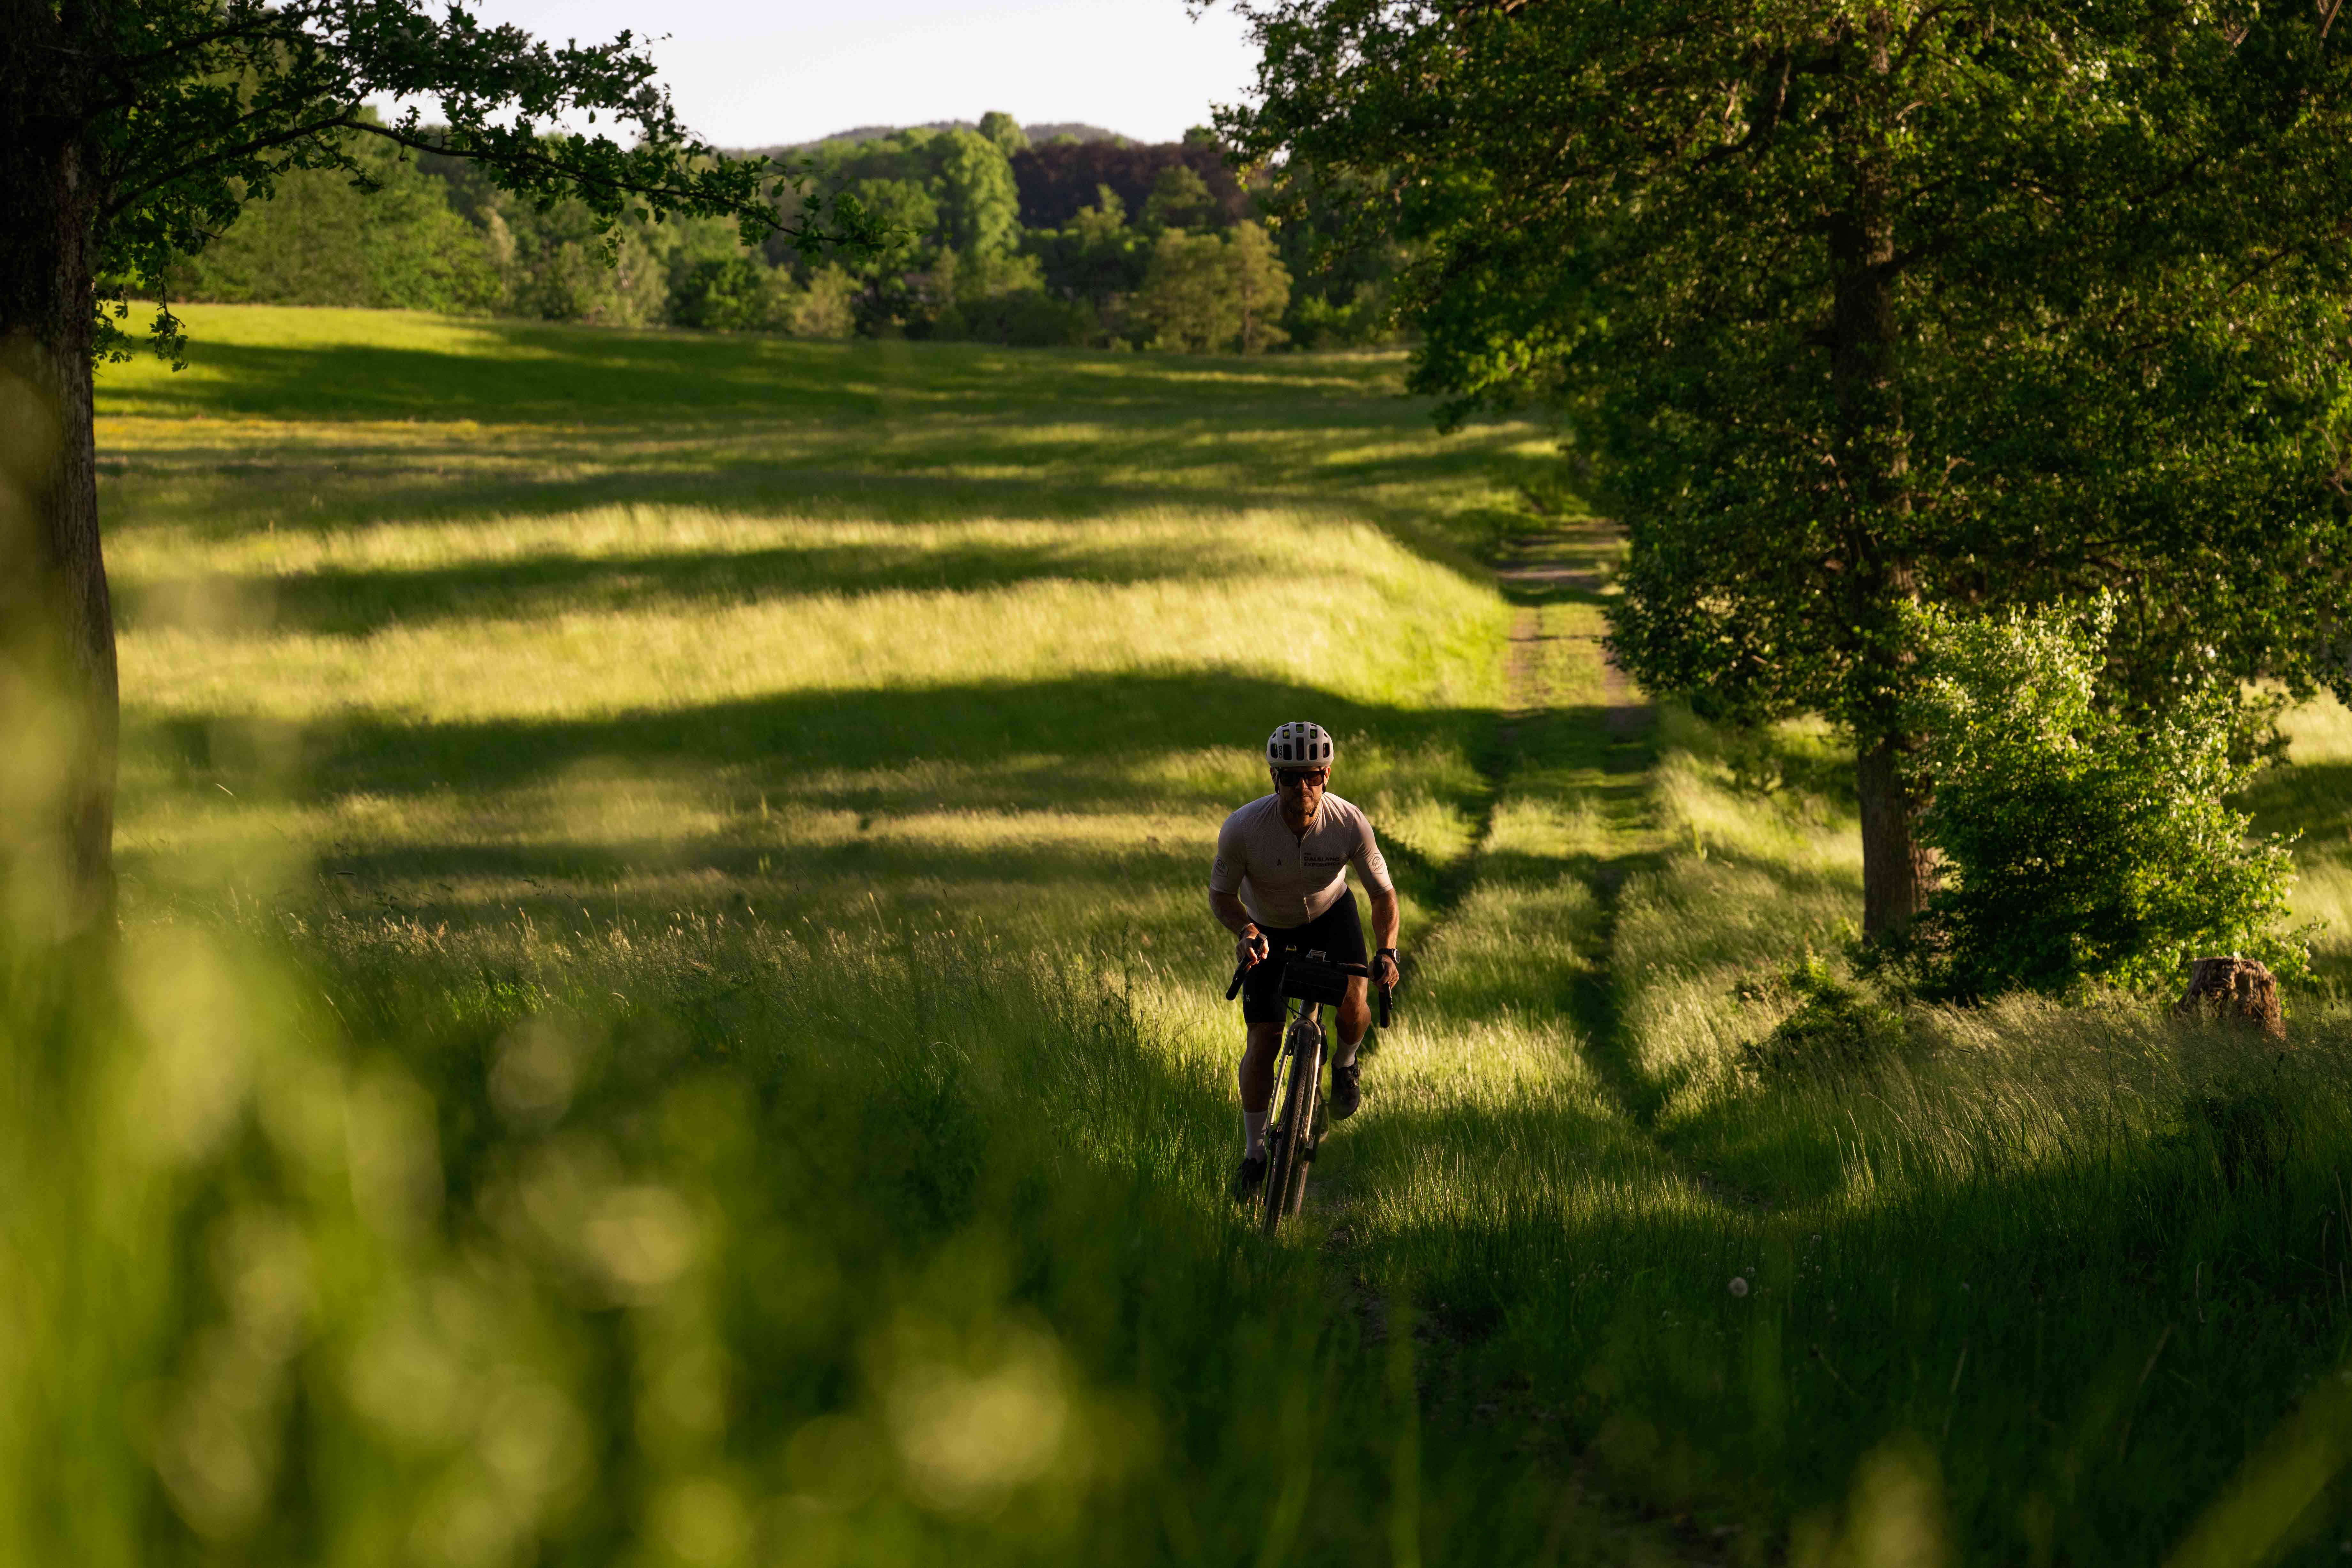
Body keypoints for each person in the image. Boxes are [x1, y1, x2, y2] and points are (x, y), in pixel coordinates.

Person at [1209, 720, 1401, 1201]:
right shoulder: (1243, 828)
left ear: (1327, 775)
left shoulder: (1349, 822)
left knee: (1355, 1000)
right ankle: (1254, 1154)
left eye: (1311, 776)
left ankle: (1344, 1064)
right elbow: (1221, 895)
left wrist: (1388, 950)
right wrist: (1245, 930)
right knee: (1263, 1038)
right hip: (1268, 924)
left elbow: (1383, 895)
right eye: (1290, 777)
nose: (1301, 787)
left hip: (1330, 913)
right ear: (1274, 778)